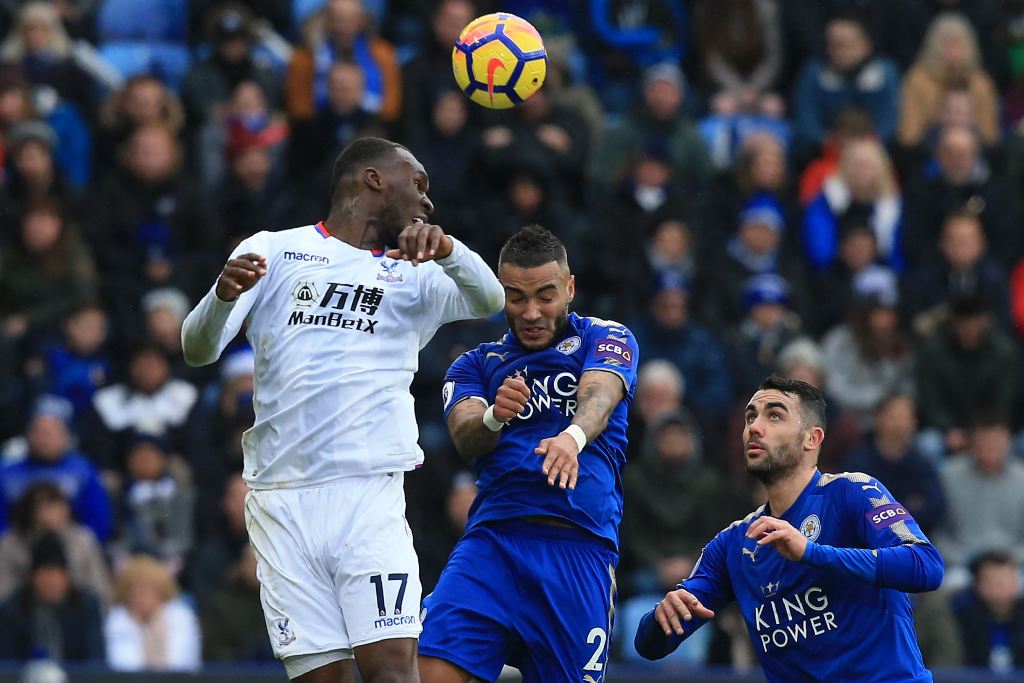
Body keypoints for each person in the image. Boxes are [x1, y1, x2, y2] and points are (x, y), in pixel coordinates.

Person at [180, 136, 504, 683]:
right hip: (280, 501)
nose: (427, 202)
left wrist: (448, 249)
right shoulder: (277, 249)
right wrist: (221, 296)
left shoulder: (417, 271)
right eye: (418, 184)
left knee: (394, 673)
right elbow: (198, 349)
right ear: (373, 178)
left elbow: (489, 298)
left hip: (367, 493)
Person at [418, 225, 639, 682]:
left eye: (546, 295)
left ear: (570, 288)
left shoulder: (606, 335)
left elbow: (601, 392)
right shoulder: (474, 363)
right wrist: (494, 418)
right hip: (493, 542)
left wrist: (573, 437)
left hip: (578, 548)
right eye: (516, 297)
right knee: (428, 669)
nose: (532, 312)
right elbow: (463, 433)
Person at [634, 374, 944, 682]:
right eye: (750, 417)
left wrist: (811, 553)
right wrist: (660, 618)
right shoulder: (733, 544)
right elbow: (650, 646)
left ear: (812, 438)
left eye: (775, 416)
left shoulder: (853, 492)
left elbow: (927, 566)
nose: (754, 427)